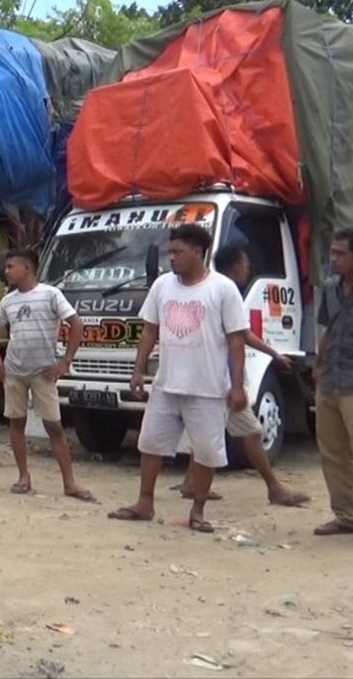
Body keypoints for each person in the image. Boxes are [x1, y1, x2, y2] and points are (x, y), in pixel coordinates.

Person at [109, 224, 248, 533]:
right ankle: (144, 503)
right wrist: (138, 371)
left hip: (208, 387)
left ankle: (197, 511)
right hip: (166, 384)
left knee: (207, 451)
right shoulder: (162, 286)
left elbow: (236, 341)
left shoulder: (223, 289)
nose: (171, 257)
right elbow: (149, 331)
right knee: (150, 444)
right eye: (170, 251)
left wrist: (237, 386)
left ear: (197, 252)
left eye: (178, 251)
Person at [172, 246, 310, 506]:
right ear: (236, 266)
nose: (247, 270)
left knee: (204, 433)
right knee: (252, 432)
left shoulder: (205, 289)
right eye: (245, 265)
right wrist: (273, 354)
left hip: (205, 376)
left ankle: (192, 482)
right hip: (223, 380)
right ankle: (274, 487)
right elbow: (242, 336)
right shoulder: (227, 291)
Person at [0, 248, 94, 502]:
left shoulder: (51, 295)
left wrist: (65, 361)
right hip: (14, 371)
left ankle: (70, 482)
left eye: (11, 266)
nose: (7, 271)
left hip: (44, 372)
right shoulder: (8, 300)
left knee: (54, 426)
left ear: (27, 269)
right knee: (16, 422)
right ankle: (24, 476)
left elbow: (76, 324)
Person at [312, 229, 353, 549]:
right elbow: (327, 330)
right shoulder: (331, 291)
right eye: (331, 252)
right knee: (333, 453)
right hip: (331, 380)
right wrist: (318, 365)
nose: (333, 259)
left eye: (340, 254)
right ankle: (346, 515)